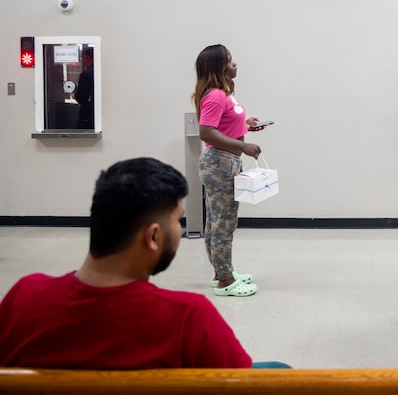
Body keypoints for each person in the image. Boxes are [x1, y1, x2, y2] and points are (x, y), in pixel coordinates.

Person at [0, 157, 254, 369]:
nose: (180, 230)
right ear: (153, 236)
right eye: (178, 221)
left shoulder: (23, 297)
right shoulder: (189, 317)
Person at [193, 44, 269, 297]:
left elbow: (222, 125)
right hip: (219, 163)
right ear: (218, 66)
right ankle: (225, 280)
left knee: (217, 222)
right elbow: (207, 132)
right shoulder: (215, 95)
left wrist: (245, 126)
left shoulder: (225, 94)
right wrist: (242, 145)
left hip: (226, 161)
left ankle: (221, 272)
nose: (235, 63)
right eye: (229, 60)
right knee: (223, 223)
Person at [74, 47, 94, 129]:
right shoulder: (100, 73)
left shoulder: (85, 75)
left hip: (87, 114)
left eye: (82, 58)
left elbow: (81, 98)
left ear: (86, 57)